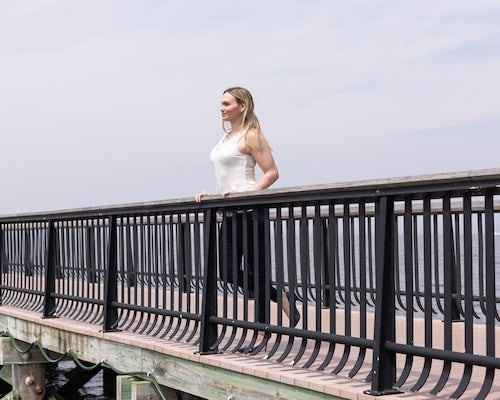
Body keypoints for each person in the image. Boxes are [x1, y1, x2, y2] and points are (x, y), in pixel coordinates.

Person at [195, 87, 300, 353]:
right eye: (221, 103)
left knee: (258, 274)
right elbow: (228, 175)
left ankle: (261, 336)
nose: (221, 107)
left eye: (226, 103)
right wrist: (212, 195)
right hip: (228, 213)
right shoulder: (225, 138)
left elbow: (271, 173)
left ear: (242, 106)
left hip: (251, 212)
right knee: (227, 272)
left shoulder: (251, 135)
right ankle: (282, 298)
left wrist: (247, 192)